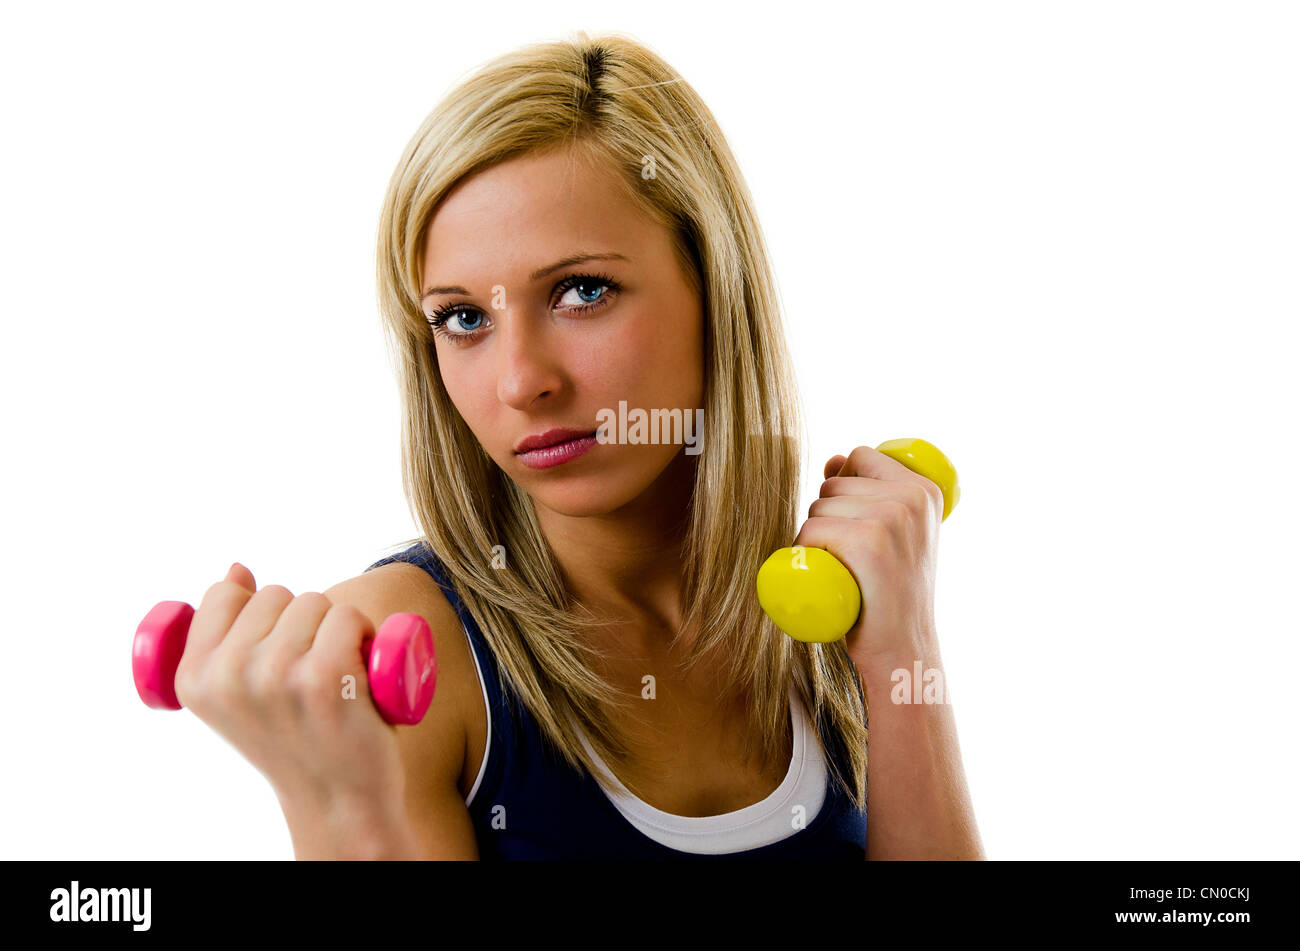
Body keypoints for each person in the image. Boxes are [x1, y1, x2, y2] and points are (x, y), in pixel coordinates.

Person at [182, 29, 983, 860]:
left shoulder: (821, 612)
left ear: (716, 289)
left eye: (581, 291)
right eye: (464, 319)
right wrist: (346, 811)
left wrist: (903, 648)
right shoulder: (403, 648)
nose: (521, 381)